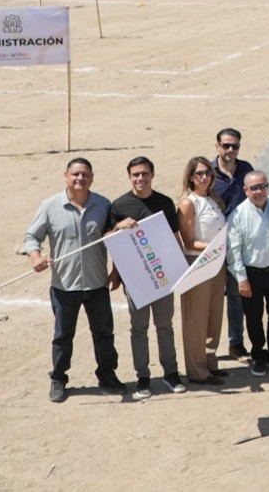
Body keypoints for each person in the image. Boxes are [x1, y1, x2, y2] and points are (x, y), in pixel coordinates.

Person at [24, 158, 124, 403]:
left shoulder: (103, 205)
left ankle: (107, 375)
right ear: (65, 176)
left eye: (85, 174)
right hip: (64, 285)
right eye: (75, 174)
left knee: (103, 333)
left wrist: (115, 271)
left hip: (96, 283)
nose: (80, 178)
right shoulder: (49, 206)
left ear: (92, 177)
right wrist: (35, 257)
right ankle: (58, 378)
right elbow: (31, 237)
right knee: (62, 335)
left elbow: (114, 239)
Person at [107, 156, 185, 399]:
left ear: (152, 174)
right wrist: (118, 228)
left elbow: (174, 238)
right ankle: (143, 378)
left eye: (144, 174)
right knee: (138, 329)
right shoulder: (119, 205)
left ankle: (171, 373)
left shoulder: (164, 202)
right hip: (135, 278)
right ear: (129, 177)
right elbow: (110, 240)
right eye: (135, 175)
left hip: (162, 274)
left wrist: (178, 270)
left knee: (165, 326)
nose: (140, 178)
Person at [226, 170, 269, 378]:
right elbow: (234, 250)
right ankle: (259, 355)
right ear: (245, 190)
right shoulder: (238, 215)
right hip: (251, 275)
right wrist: (241, 278)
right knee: (253, 318)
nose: (259, 191)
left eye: (262, 186)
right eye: (254, 188)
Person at [177, 156, 229, 385]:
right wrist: (214, 248)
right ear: (191, 177)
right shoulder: (189, 203)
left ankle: (210, 363)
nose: (205, 177)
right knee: (196, 320)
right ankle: (197, 371)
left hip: (216, 262)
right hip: (197, 263)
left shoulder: (213, 199)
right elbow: (187, 241)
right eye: (199, 174)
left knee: (214, 315)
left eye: (208, 173)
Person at [212, 127, 255, 362]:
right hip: (212, 245)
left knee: (237, 296)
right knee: (210, 297)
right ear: (217, 146)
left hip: (239, 245)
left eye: (235, 146)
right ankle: (206, 347)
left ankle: (235, 343)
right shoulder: (207, 172)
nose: (230, 150)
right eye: (226, 145)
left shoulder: (246, 170)